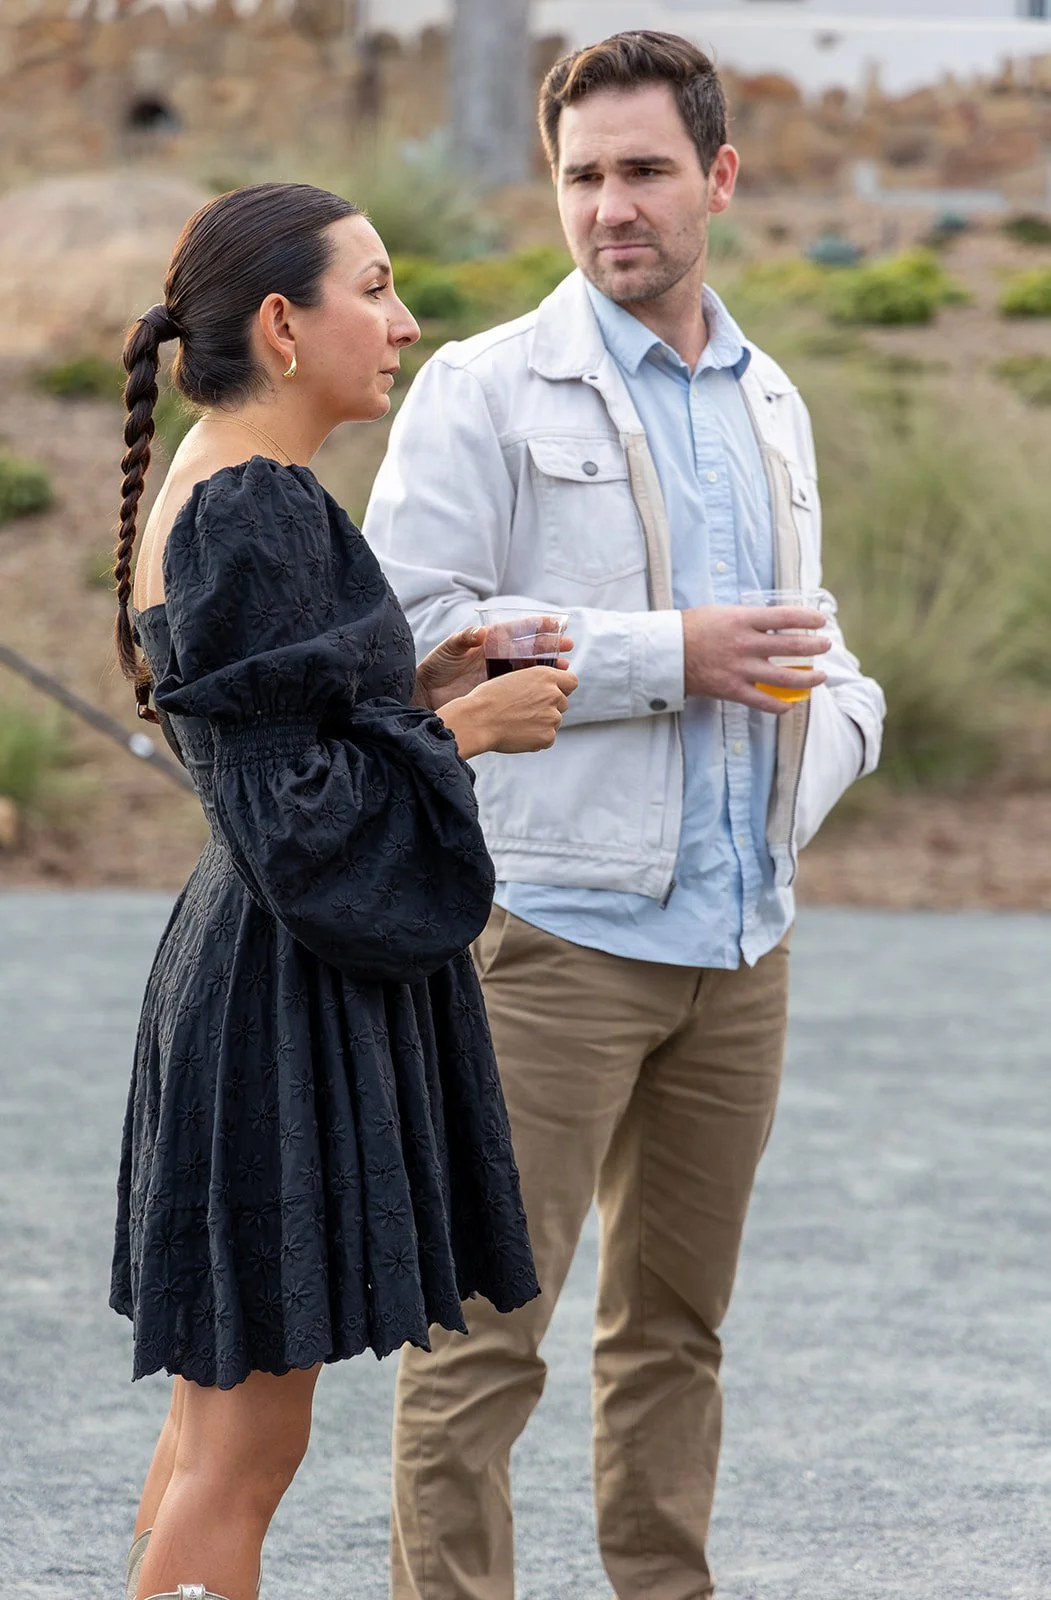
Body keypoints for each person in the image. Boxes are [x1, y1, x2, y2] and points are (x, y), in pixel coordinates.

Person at [362, 31, 886, 1600]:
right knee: (479, 1345)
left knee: (677, 1337)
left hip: (742, 947)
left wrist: (824, 749)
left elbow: (813, 645)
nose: (610, 209)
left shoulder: (767, 395)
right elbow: (408, 629)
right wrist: (671, 660)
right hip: (553, 938)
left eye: (645, 170)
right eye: (583, 176)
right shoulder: (483, 387)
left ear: (716, 178)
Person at [108, 181, 577, 1600]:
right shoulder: (254, 507)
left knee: (209, 1442)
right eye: (372, 288)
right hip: (275, 1004)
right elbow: (294, 818)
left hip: (240, 976)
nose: (404, 320)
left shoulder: (217, 480)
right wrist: (461, 734)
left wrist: (411, 685)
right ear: (280, 323)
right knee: (242, 1465)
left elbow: (282, 734)